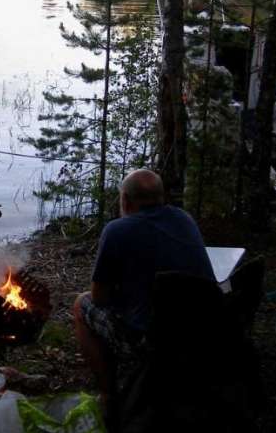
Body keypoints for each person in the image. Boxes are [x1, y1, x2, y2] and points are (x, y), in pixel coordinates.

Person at [72, 169, 214, 415]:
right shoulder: (184, 218)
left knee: (80, 304)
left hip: (152, 341)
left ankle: (109, 396)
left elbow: (99, 297)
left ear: (125, 200)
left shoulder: (117, 230)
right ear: (162, 197)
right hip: (203, 329)